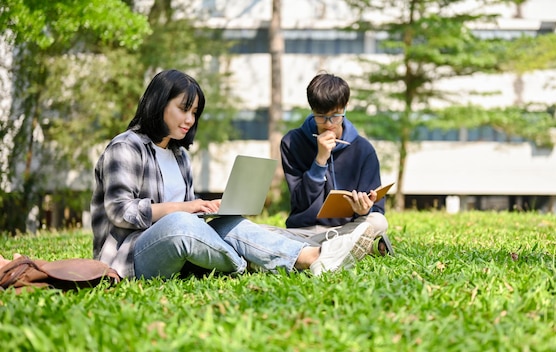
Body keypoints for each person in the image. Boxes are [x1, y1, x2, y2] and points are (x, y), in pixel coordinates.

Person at [90, 69, 376, 279]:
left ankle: (311, 257)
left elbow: (188, 214)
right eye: (183, 109)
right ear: (158, 103)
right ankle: (262, 259)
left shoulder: (179, 156)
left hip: (180, 242)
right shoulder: (126, 147)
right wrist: (185, 208)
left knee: (231, 224)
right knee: (180, 222)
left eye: (195, 113)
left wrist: (208, 208)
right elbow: (120, 211)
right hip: (131, 257)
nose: (190, 120)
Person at [266, 72, 394, 256]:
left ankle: (316, 251)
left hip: (346, 228)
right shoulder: (292, 142)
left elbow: (377, 208)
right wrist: (320, 160)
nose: (328, 124)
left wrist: (364, 210)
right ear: (312, 110)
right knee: (259, 231)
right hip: (303, 231)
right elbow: (300, 202)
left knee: (378, 221)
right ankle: (342, 249)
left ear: (345, 107)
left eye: (335, 115)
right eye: (321, 116)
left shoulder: (363, 149)